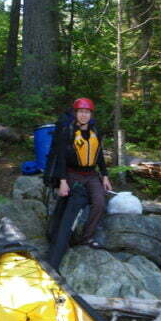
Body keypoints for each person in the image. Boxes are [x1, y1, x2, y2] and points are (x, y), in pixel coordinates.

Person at [51, 97, 112, 247]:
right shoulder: (68, 132)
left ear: (91, 115)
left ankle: (86, 237)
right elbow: (61, 159)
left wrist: (105, 176)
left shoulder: (95, 132)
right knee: (72, 203)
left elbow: (99, 155)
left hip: (91, 174)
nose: (84, 115)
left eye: (87, 112)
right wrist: (62, 182)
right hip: (72, 173)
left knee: (99, 203)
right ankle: (62, 235)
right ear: (75, 113)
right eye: (81, 112)